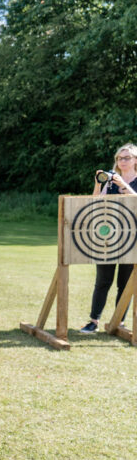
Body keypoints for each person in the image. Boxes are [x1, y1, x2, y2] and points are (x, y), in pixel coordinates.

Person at [78, 143, 137, 334]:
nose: (122, 161)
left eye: (127, 157)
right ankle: (93, 321)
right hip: (108, 237)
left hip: (131, 238)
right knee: (103, 280)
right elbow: (94, 202)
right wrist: (98, 183)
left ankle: (118, 322)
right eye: (120, 158)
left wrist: (123, 185)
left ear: (135, 160)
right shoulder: (111, 181)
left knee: (125, 283)